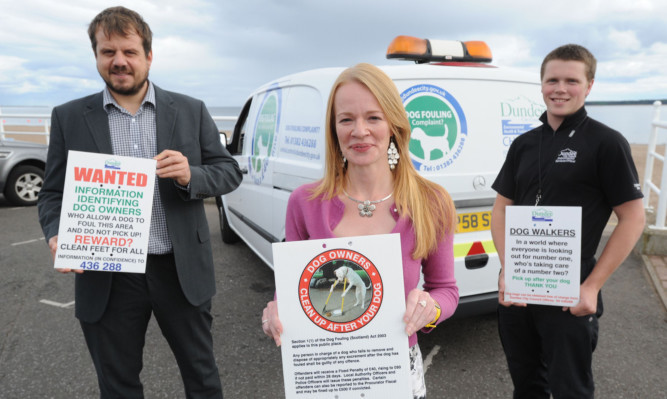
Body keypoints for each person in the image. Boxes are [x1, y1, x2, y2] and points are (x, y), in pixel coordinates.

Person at [37, 6, 242, 398]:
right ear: (96, 56)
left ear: (148, 55)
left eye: (129, 51)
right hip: (107, 275)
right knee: (118, 386)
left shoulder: (189, 109)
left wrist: (191, 175)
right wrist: (57, 231)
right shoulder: (69, 117)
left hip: (178, 270)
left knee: (202, 378)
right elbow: (51, 193)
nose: (119, 61)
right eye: (107, 51)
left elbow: (228, 171)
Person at [261, 63, 459, 398]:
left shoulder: (431, 201)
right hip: (324, 373)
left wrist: (430, 308)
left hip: (395, 370)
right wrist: (276, 309)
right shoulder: (304, 202)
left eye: (373, 117)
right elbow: (291, 288)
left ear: (393, 125)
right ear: (334, 129)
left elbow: (446, 290)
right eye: (346, 119)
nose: (360, 131)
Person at [490, 44, 645, 398]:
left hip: (570, 292)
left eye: (571, 81)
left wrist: (592, 286)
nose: (560, 89)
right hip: (520, 290)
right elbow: (501, 208)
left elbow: (633, 218)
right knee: (527, 385)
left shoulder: (607, 143)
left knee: (570, 390)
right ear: (541, 84)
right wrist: (507, 267)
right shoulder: (525, 144)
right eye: (552, 80)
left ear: (589, 85)